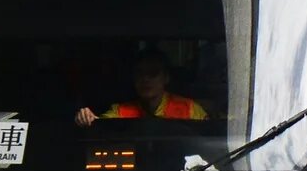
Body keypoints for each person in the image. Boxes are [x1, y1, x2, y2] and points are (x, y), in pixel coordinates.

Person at [75, 49, 208, 125]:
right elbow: (100, 126)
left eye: (153, 73)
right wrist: (86, 118)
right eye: (140, 73)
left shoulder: (189, 109)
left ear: (166, 78)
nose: (145, 79)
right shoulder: (121, 111)